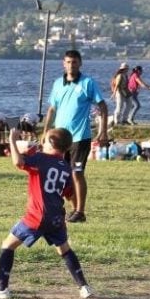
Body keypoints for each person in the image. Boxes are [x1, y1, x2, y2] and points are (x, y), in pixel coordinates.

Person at [0, 127, 94, 299]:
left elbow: (18, 162)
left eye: (44, 139)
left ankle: (2, 289)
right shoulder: (65, 166)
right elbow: (71, 194)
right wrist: (76, 210)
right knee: (64, 249)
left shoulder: (40, 159)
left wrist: (12, 140)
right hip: (56, 216)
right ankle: (84, 287)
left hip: (37, 216)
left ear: (50, 142)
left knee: (7, 245)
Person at [42, 50, 108, 224]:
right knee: (60, 175)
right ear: (64, 63)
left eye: (75, 62)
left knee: (77, 173)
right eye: (68, 62)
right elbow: (51, 109)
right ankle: (69, 208)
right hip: (59, 139)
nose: (71, 65)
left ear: (80, 63)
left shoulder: (88, 83)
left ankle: (80, 211)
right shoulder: (57, 84)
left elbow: (102, 106)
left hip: (80, 138)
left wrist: (103, 131)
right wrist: (45, 132)